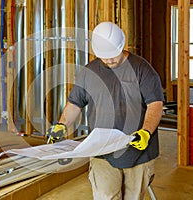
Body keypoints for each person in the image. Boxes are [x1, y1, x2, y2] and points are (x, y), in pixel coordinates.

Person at [46, 21, 164, 200]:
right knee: (105, 196)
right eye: (104, 57)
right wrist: (62, 124)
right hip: (102, 152)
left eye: (113, 55)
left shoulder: (142, 69)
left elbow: (155, 104)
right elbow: (75, 103)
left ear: (122, 45)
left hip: (137, 153)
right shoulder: (89, 73)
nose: (109, 60)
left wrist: (146, 132)